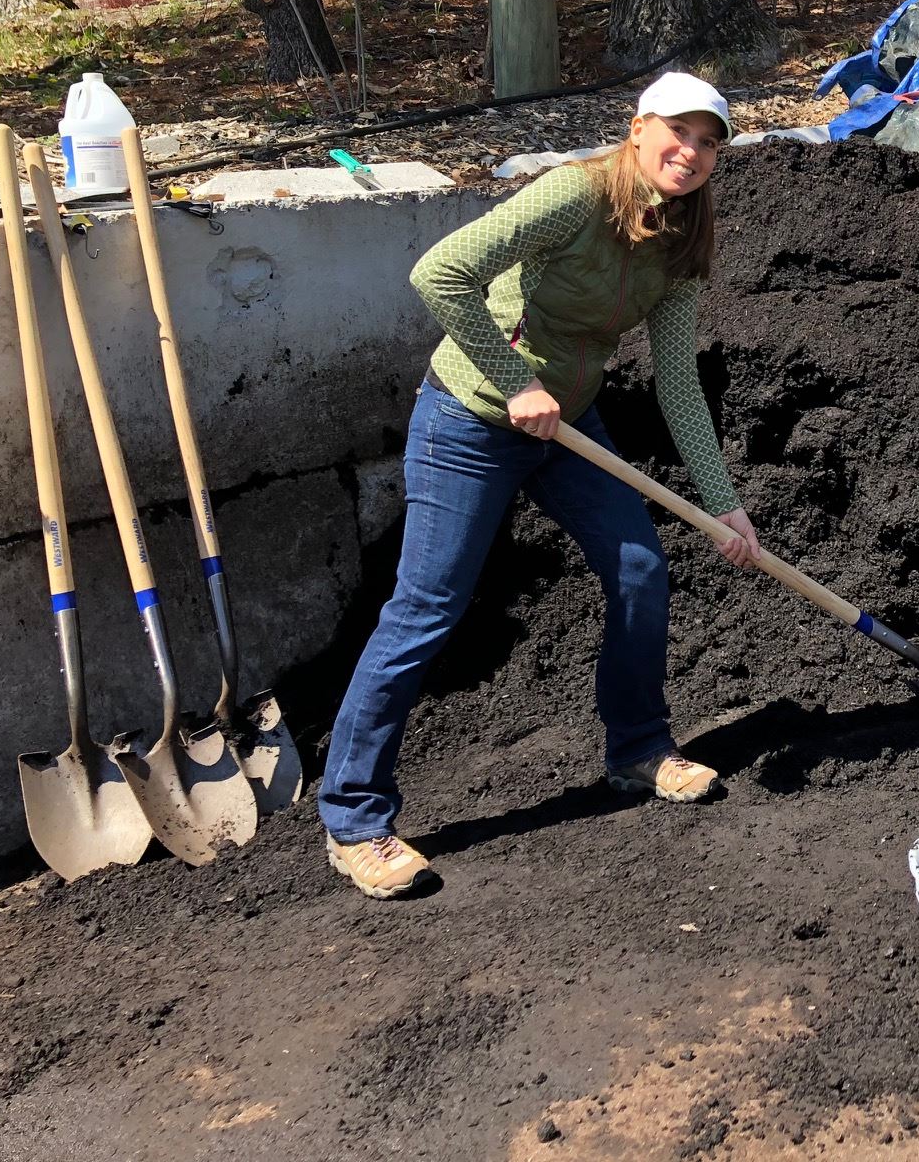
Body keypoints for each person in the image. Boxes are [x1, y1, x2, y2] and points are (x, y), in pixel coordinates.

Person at [318, 72, 762, 899]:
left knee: (638, 568)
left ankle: (638, 749)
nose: (693, 153)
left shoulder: (683, 239)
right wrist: (514, 379)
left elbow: (677, 381)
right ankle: (353, 817)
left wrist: (720, 502)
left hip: (569, 427)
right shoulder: (572, 195)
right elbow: (438, 273)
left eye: (710, 143)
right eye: (680, 133)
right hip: (470, 419)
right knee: (427, 608)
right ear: (638, 128)